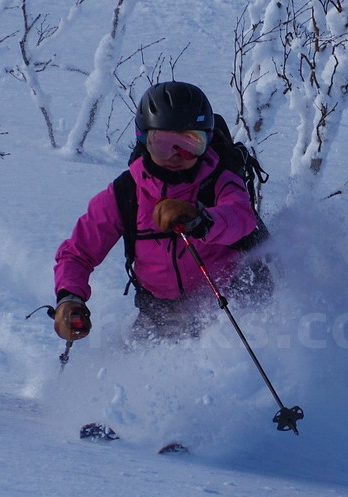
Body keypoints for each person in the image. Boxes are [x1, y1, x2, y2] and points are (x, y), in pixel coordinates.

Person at [52, 81, 265, 344]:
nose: (177, 156)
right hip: (160, 311)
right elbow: (78, 253)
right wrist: (69, 298)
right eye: (163, 143)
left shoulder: (220, 180)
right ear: (143, 139)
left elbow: (240, 217)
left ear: (207, 141)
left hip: (230, 300)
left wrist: (202, 219)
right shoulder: (126, 193)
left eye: (190, 143)